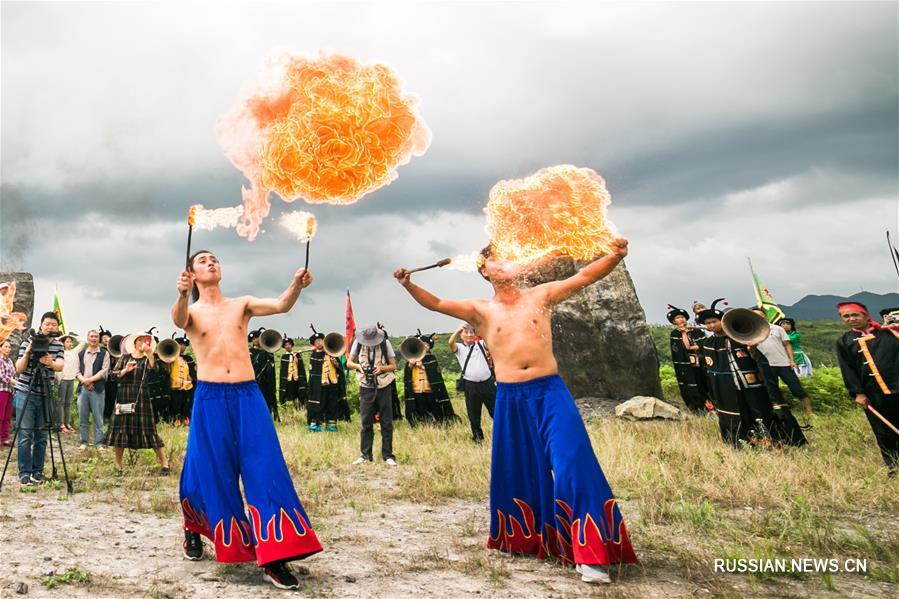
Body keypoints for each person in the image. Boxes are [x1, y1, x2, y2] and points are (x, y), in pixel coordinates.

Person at [393, 240, 638, 584]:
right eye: (496, 258)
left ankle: (590, 552)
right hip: (509, 397)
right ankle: (526, 538)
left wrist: (615, 255)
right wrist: (408, 284)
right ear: (484, 270)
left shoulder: (542, 295)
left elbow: (584, 277)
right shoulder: (480, 310)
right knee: (519, 469)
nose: (506, 261)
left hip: (550, 392)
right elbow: (435, 303)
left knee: (572, 463)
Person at [172, 250, 321, 589]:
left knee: (264, 467)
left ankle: (274, 555)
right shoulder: (191, 311)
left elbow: (282, 305)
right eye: (203, 261)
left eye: (215, 259)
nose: (212, 263)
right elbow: (179, 321)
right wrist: (181, 294)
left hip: (247, 395)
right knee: (207, 469)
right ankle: (193, 527)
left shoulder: (242, 304)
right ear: (192, 274)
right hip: (210, 397)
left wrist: (297, 285)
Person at [697, 302, 806, 448]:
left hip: (752, 383)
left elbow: (758, 361)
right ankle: (744, 441)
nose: (711, 325)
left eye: (714, 322)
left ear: (722, 322)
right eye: (708, 323)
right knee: (738, 413)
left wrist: (752, 349)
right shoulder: (708, 343)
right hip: (728, 387)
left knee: (760, 410)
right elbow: (709, 369)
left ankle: (774, 439)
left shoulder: (741, 337)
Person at [836, 302, 899, 476]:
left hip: (897, 386)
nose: (851, 319)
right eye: (846, 316)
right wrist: (858, 392)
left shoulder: (889, 333)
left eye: (855, 315)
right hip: (873, 393)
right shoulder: (844, 341)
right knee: (883, 431)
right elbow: (847, 368)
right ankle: (893, 466)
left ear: (865, 315)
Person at [105, 334, 170, 474]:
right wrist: (125, 370)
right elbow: (113, 376)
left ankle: (165, 464)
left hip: (142, 398)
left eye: (145, 341)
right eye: (139, 340)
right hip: (124, 395)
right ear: (134, 343)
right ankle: (118, 465)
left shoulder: (148, 359)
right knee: (120, 430)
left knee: (149, 430)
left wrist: (150, 354)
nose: (142, 343)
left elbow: (156, 370)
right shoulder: (125, 358)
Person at [13, 312, 65, 486]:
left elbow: (60, 366)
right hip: (25, 391)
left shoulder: (58, 345)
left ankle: (38, 472)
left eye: (53, 324)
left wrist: (50, 362)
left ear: (57, 328)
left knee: (42, 435)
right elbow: (18, 369)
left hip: (45, 393)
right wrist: (28, 354)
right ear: (41, 325)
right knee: (25, 434)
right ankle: (24, 473)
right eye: (47, 324)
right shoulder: (29, 341)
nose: (50, 327)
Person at [750, 307, 814, 426]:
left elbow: (787, 344)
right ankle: (779, 413)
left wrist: (792, 360)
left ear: (765, 316)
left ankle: (810, 412)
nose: (758, 317)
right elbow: (752, 354)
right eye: (755, 316)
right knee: (772, 391)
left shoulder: (777, 328)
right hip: (766, 366)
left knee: (796, 387)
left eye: (760, 315)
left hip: (784, 363)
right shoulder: (750, 331)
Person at [347, 324, 399, 466]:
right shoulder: (357, 343)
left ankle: (388, 455)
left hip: (384, 385)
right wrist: (359, 367)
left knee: (386, 422)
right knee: (366, 422)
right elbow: (349, 362)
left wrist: (382, 368)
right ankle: (365, 455)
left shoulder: (385, 343)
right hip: (366, 386)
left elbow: (394, 365)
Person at [448, 323, 496, 443]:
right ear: (461, 335)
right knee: (473, 413)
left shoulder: (480, 344)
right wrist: (457, 330)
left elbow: (489, 340)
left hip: (488, 383)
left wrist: (480, 329)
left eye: (471, 332)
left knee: (496, 410)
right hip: (471, 385)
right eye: (466, 332)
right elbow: (450, 343)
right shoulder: (459, 348)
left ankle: (503, 433)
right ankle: (477, 437)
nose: (469, 335)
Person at [402, 332, 456, 425]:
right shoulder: (411, 358)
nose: (424, 346)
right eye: (422, 344)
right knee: (420, 408)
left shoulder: (432, 358)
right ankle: (422, 423)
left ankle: (438, 422)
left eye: (426, 345)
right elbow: (407, 376)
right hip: (417, 390)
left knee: (434, 407)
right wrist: (410, 366)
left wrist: (423, 367)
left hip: (430, 390)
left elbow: (435, 373)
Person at [665, 304, 710, 414]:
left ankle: (710, 406)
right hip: (686, 366)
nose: (680, 319)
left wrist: (692, 345)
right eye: (677, 318)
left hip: (702, 363)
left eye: (682, 317)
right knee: (690, 385)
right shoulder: (675, 334)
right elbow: (682, 349)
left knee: (705, 383)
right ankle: (696, 408)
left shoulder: (696, 330)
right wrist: (684, 333)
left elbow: (702, 344)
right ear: (674, 321)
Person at [75, 330, 111, 450]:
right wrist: (84, 381)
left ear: (99, 339)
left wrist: (90, 380)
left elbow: (104, 371)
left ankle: (99, 443)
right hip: (83, 389)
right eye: (91, 336)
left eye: (96, 336)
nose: (94, 338)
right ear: (88, 338)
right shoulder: (81, 354)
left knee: (98, 417)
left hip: (97, 389)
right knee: (83, 417)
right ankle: (83, 442)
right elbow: (77, 371)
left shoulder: (104, 353)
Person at [306, 330, 343, 432]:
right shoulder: (313, 355)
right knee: (317, 404)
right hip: (319, 385)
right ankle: (316, 424)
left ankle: (331, 424)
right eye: (316, 341)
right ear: (314, 344)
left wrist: (335, 363)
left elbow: (339, 368)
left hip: (332, 383)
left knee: (332, 403)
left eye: (320, 340)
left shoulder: (331, 353)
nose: (319, 342)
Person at [167, 333, 197, 426]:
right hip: (175, 385)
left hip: (187, 386)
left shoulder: (188, 358)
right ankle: (176, 420)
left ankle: (186, 419)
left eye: (184, 345)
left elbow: (193, 373)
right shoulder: (171, 357)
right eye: (180, 344)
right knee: (176, 404)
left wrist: (192, 379)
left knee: (186, 404)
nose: (182, 347)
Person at [249, 328, 278, 422]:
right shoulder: (249, 352)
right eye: (253, 339)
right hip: (255, 379)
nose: (256, 340)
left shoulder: (268, 351)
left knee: (268, 398)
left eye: (257, 338)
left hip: (267, 380)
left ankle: (268, 416)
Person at [56, 333, 83, 433]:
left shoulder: (74, 352)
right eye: (67, 341)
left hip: (71, 379)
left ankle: (67, 424)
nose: (70, 343)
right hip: (62, 380)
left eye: (70, 341)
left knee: (68, 403)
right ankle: (61, 424)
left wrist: (72, 335)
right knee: (61, 402)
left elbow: (83, 342)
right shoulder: (60, 352)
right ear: (63, 343)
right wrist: (63, 336)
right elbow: (55, 340)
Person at [278, 335, 307, 410]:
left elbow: (301, 367)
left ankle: (299, 406)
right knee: (289, 392)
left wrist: (295, 357)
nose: (288, 346)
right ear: (284, 347)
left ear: (292, 345)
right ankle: (287, 407)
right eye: (286, 345)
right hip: (288, 378)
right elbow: (282, 370)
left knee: (297, 392)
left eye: (289, 344)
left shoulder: (297, 355)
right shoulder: (284, 356)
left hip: (296, 378)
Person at [98, 326, 118, 424]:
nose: (106, 339)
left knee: (113, 397)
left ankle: (111, 416)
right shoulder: (100, 350)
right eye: (103, 337)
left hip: (114, 378)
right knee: (104, 398)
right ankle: (104, 416)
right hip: (104, 378)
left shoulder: (114, 348)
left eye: (107, 337)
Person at [0, 339, 16, 447]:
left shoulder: (10, 361)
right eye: (5, 346)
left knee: (7, 415)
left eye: (9, 347)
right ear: (0, 348)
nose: (8, 349)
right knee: (0, 415)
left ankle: (5, 438)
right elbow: (1, 375)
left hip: (10, 390)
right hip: (2, 390)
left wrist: (15, 382)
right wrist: (11, 381)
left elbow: (14, 373)